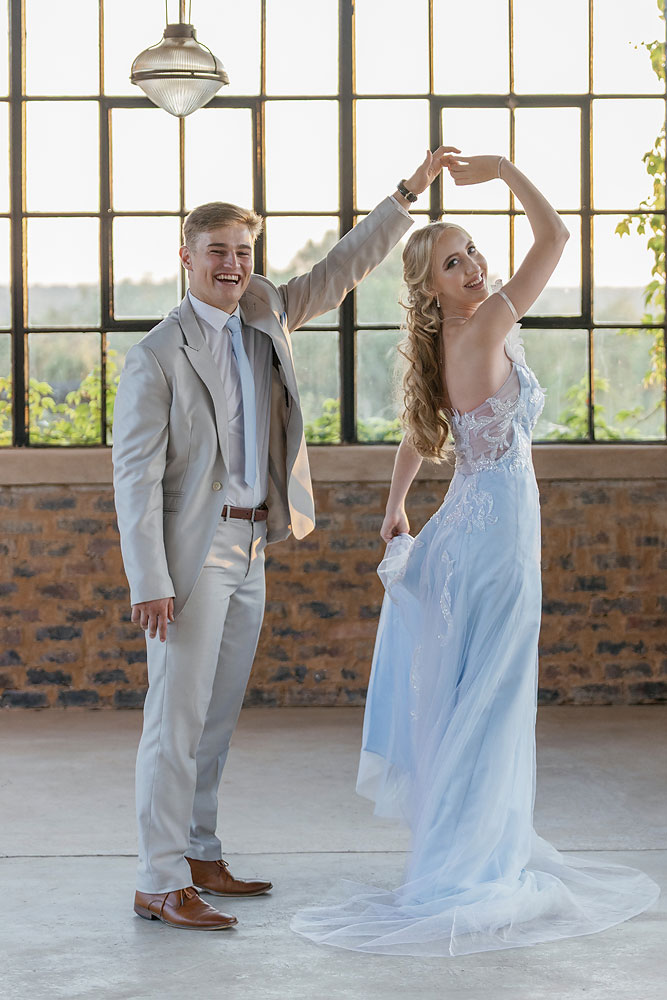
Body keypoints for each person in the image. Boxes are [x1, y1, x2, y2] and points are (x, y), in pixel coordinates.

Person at [291, 154, 660, 955]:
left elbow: (420, 433)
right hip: (495, 538)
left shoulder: (451, 338)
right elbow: (555, 237)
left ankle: (469, 849)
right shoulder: (487, 320)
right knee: (492, 695)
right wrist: (503, 171)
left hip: (471, 525)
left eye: (470, 251)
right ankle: (473, 865)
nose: (473, 266)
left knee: (477, 694)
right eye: (451, 262)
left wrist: (394, 505)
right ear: (430, 289)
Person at [111, 146, 457, 931]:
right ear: (186, 258)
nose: (231, 265)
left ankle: (198, 852)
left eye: (242, 251)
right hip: (190, 556)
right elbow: (133, 479)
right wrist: (149, 580)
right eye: (216, 251)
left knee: (215, 716)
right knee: (174, 719)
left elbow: (340, 269)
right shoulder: (157, 355)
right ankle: (157, 879)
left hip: (251, 545)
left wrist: (407, 194)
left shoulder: (265, 310)